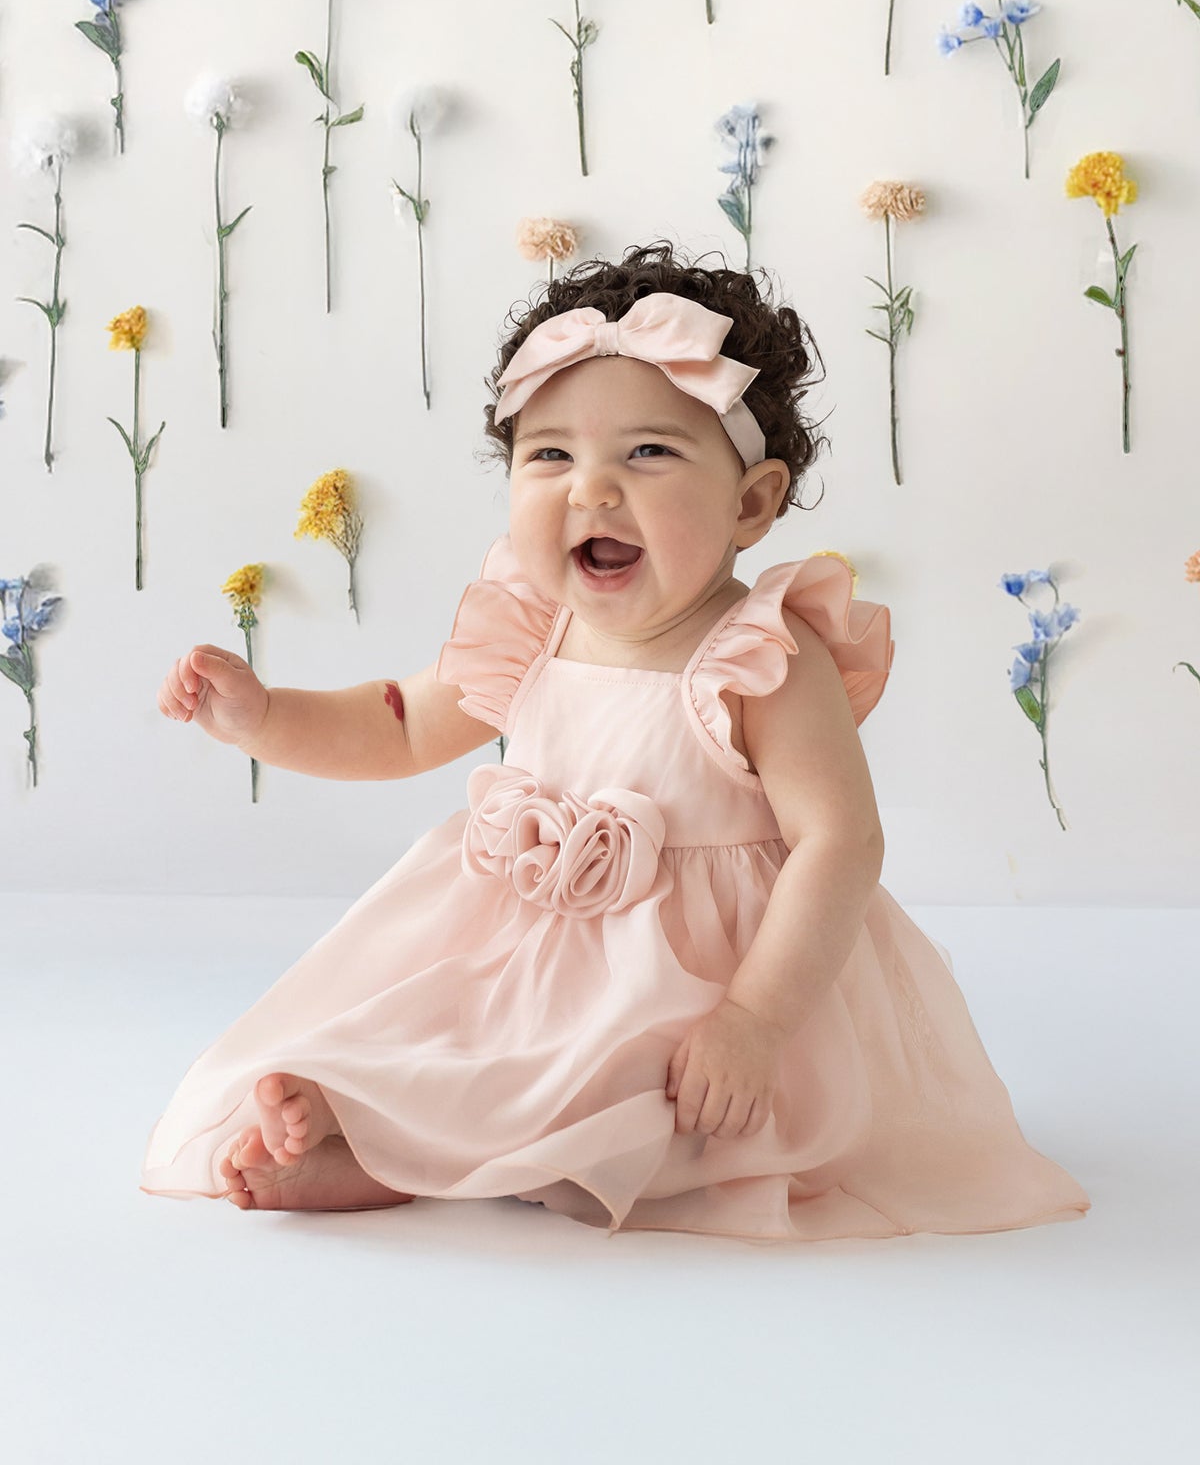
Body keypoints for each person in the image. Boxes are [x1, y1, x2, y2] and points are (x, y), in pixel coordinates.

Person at [141, 243, 1090, 1243]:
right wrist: (263, 716)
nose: (590, 490)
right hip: (515, 951)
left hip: (699, 979)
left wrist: (756, 1020)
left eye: (647, 454)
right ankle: (362, 1123)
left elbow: (840, 842)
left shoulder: (761, 656)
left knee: (640, 1091)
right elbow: (402, 724)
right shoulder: (529, 624)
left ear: (751, 503)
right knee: (421, 1018)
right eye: (550, 454)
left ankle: (400, 1148)